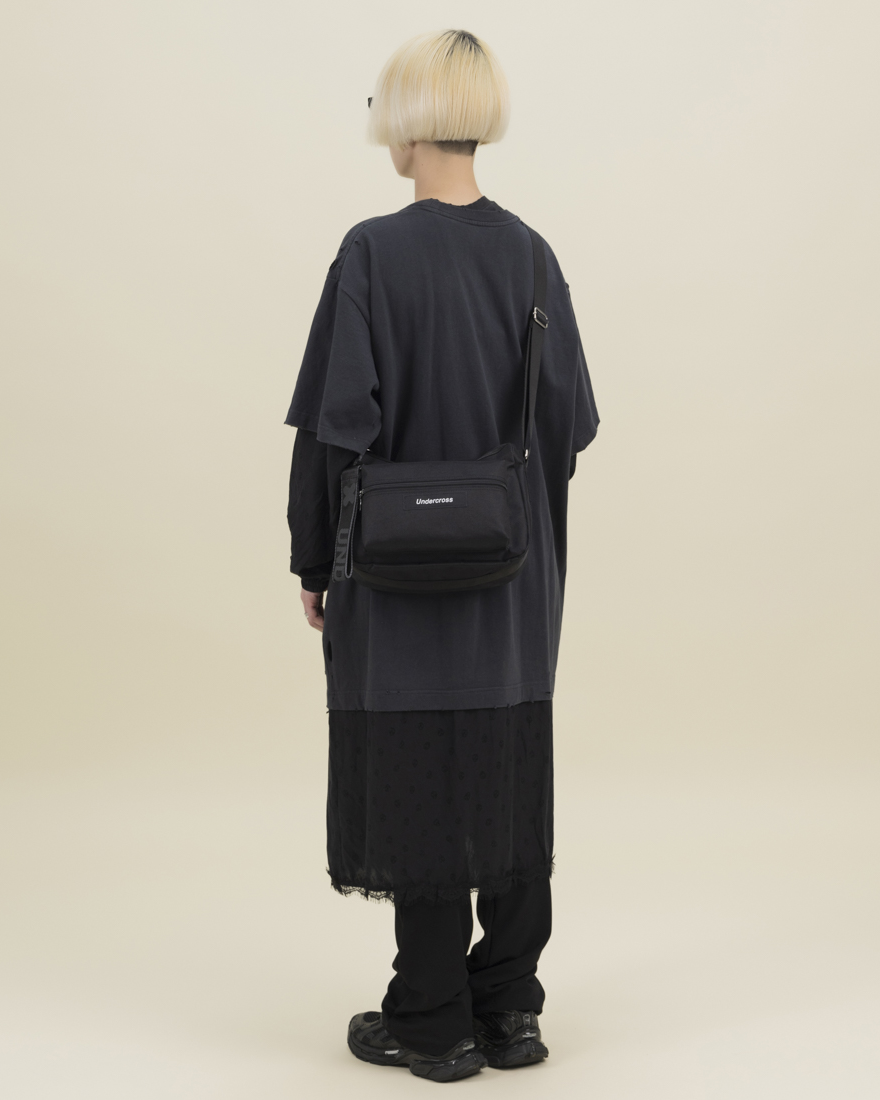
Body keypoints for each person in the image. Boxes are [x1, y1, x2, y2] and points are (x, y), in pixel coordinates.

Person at [285, 29, 598, 1083]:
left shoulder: (371, 254)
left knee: (419, 774)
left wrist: (312, 560)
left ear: (409, 120)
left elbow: (332, 432)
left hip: (395, 574)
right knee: (507, 768)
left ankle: (432, 1020)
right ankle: (509, 1008)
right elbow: (567, 429)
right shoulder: (532, 256)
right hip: (513, 581)